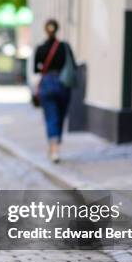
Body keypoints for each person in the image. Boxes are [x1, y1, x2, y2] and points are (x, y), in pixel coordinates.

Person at [33, 19, 76, 163]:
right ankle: (55, 146)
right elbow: (73, 65)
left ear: (46, 30)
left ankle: (53, 148)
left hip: (46, 84)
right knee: (60, 116)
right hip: (62, 84)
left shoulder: (40, 48)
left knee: (51, 117)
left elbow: (36, 69)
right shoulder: (64, 47)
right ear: (57, 29)